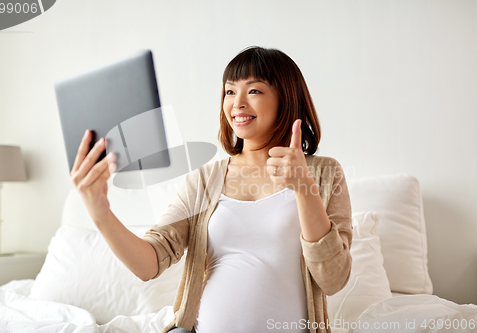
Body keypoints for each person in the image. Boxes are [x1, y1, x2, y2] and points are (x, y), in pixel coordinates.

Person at [70, 46, 352, 333]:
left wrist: (304, 189)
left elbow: (333, 278)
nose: (237, 103)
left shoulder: (324, 174)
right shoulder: (204, 179)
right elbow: (149, 264)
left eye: (254, 91)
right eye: (230, 92)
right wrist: (101, 213)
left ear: (286, 98)